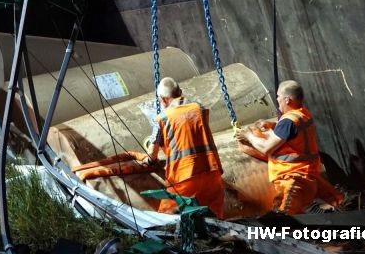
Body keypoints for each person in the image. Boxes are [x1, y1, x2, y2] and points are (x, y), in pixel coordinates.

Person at [236, 80, 343, 215]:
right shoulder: (302, 113)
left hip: (294, 178)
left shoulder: (288, 122)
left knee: (286, 217)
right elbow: (293, 135)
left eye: (279, 96)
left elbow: (266, 148)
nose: (277, 99)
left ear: (287, 99)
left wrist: (249, 136)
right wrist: (274, 126)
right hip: (307, 174)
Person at [147, 77, 224, 218]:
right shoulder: (199, 108)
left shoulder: (162, 118)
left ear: (163, 99)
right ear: (180, 92)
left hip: (183, 176)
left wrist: (150, 161)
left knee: (169, 218)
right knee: (214, 218)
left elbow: (152, 152)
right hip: (211, 170)